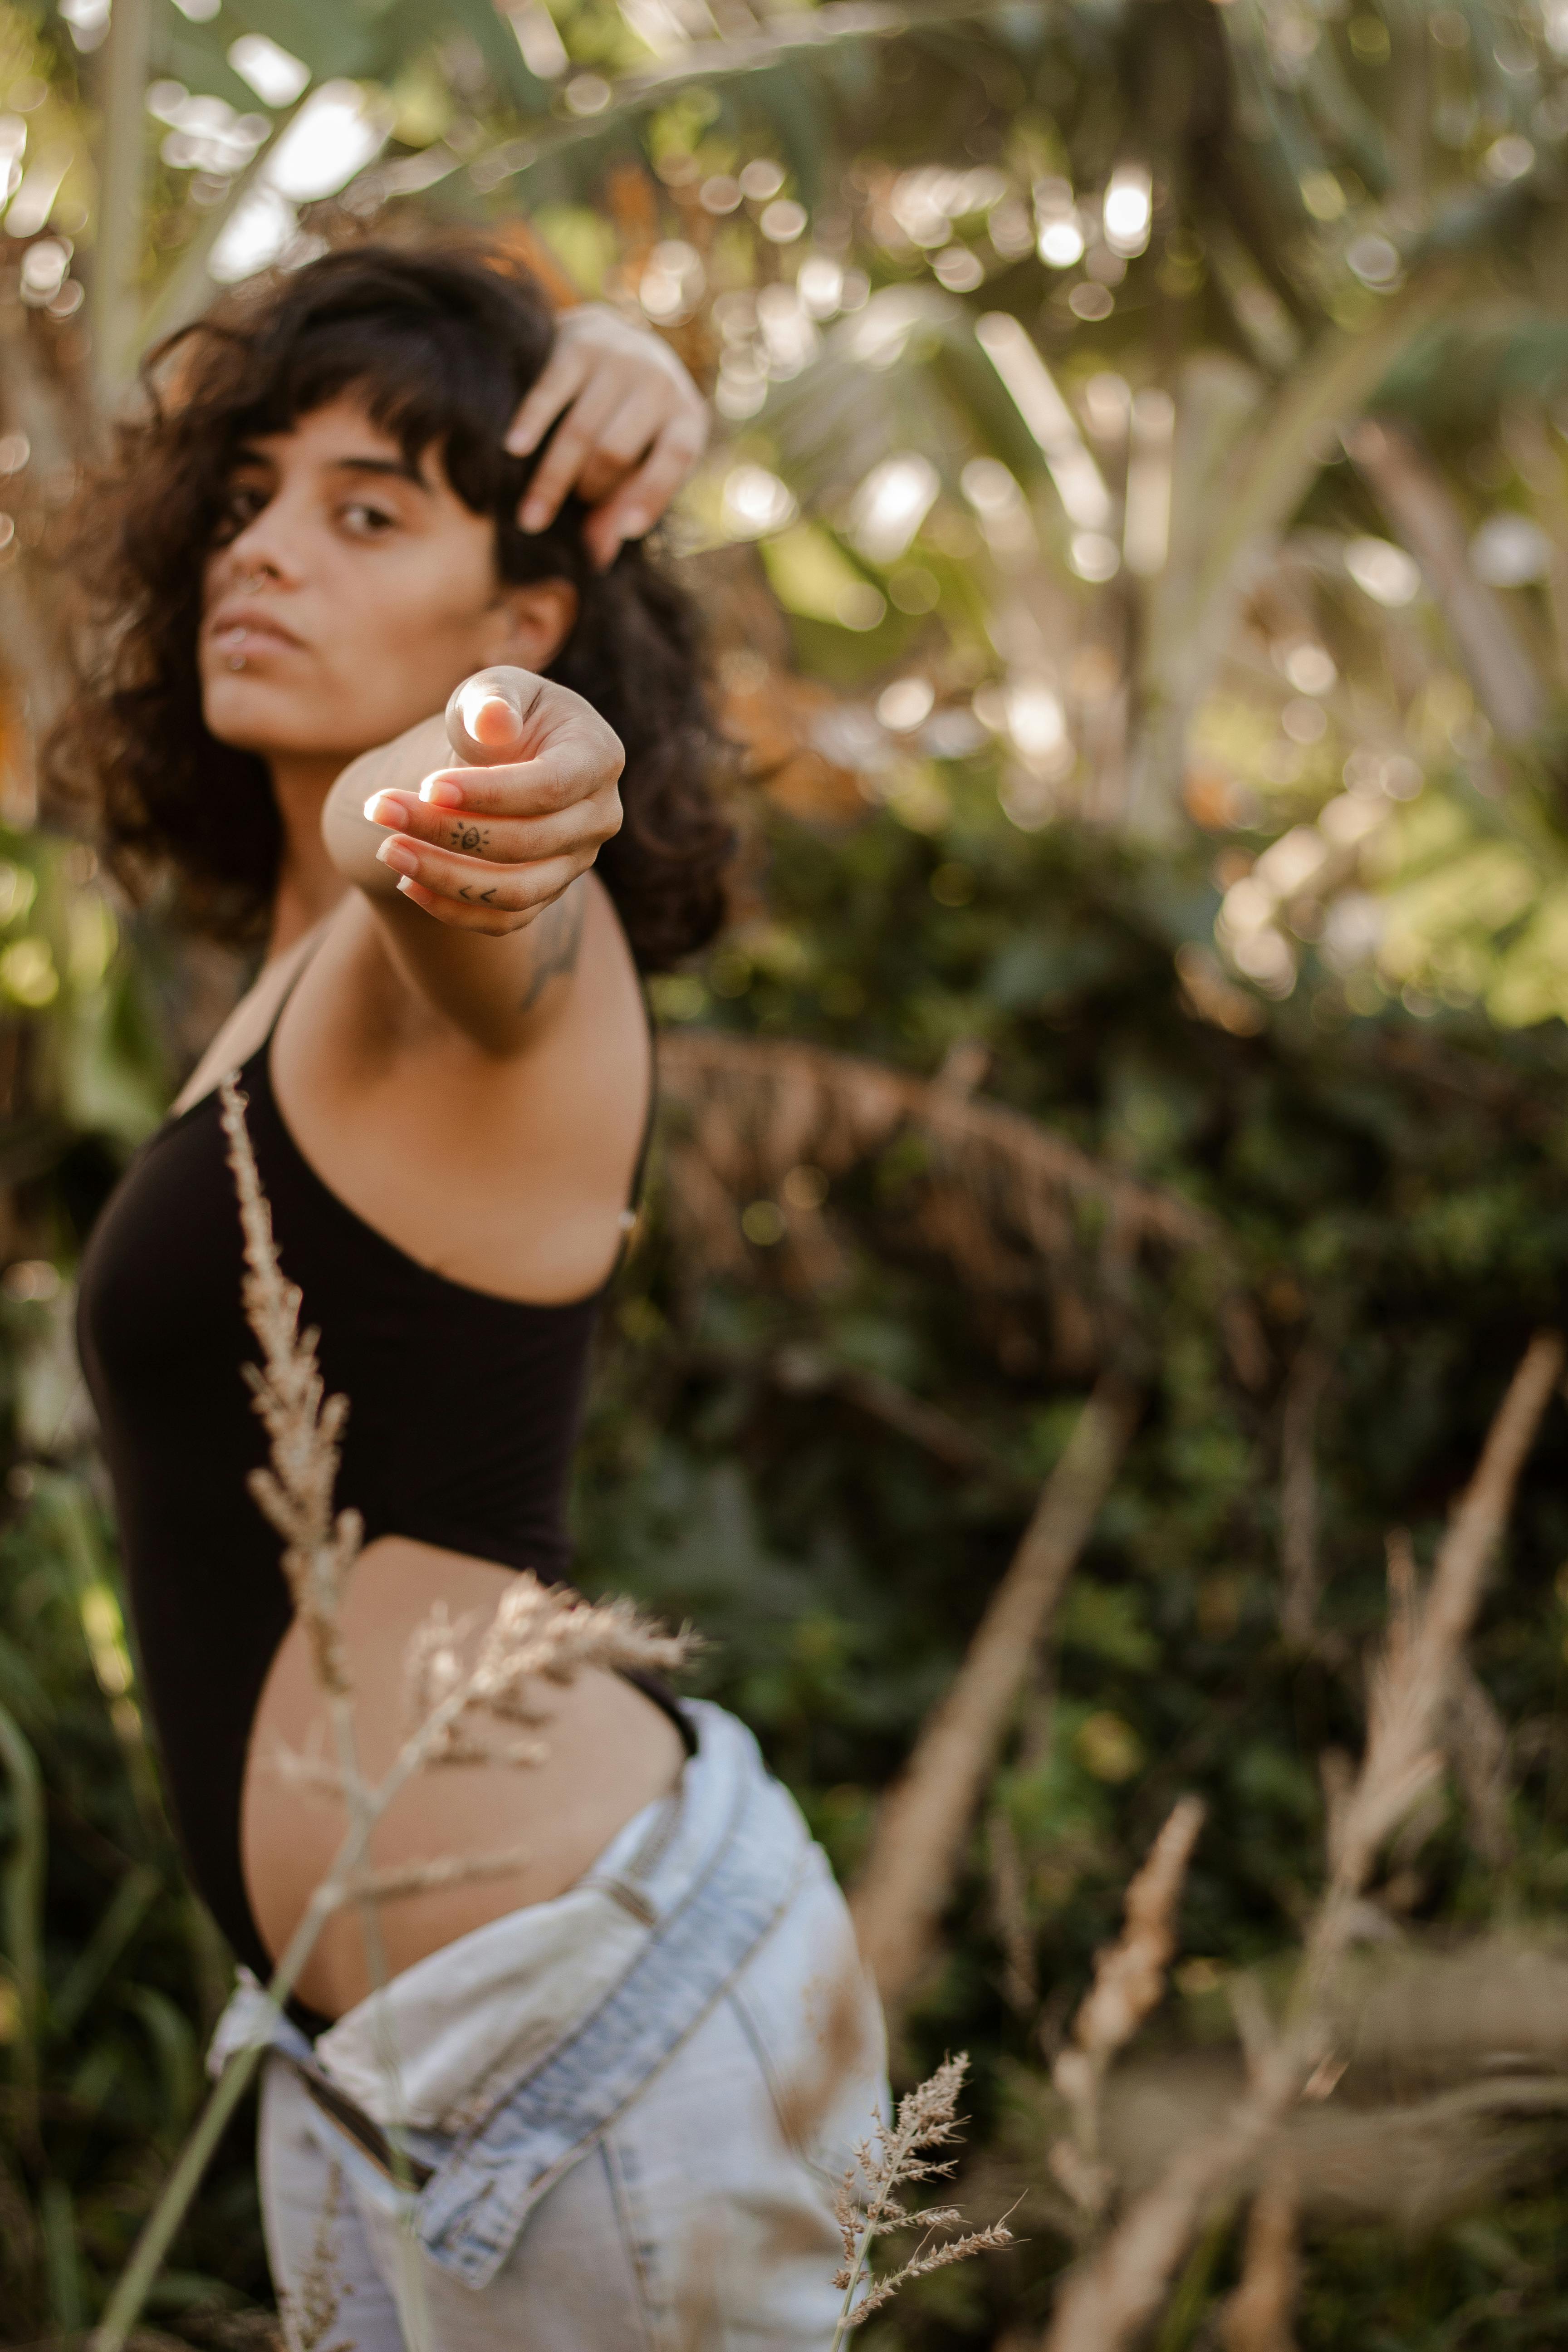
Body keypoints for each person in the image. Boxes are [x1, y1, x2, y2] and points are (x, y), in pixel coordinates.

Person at [62, 242, 886, 2351]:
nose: (264, 554)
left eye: (369, 513)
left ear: (523, 614)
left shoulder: (495, 959)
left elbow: (455, 860)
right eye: (250, 498)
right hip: (401, 2075)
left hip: (589, 2044)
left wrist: (489, 769)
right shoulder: (279, 982)